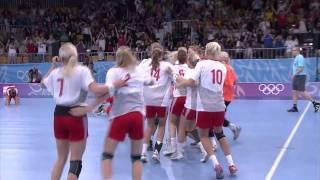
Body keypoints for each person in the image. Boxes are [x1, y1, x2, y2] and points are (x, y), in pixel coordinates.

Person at [41, 43, 125, 180]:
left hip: (59, 115)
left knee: (60, 159)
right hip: (76, 115)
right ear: (76, 55)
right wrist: (114, 85)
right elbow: (96, 90)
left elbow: (42, 85)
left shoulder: (56, 73)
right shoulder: (82, 71)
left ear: (60, 58)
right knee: (75, 162)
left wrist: (53, 66)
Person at [71, 46, 152, 180]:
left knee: (107, 155)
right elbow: (151, 81)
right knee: (136, 158)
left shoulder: (113, 72)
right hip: (138, 116)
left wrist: (89, 107)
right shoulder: (139, 70)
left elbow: (106, 93)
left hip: (120, 116)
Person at [177, 42, 237, 179]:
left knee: (203, 135)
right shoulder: (223, 67)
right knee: (220, 134)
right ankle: (231, 164)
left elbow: (192, 82)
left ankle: (216, 164)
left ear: (206, 52)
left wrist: (180, 80)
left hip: (204, 106)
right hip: (219, 105)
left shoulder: (202, 64)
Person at [140, 46, 174, 163]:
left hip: (148, 99)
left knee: (149, 126)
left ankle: (143, 153)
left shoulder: (144, 64)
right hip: (161, 101)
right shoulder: (167, 66)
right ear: (162, 54)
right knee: (161, 126)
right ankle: (156, 153)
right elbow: (176, 79)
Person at [287, 47, 320, 112]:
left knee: (302, 92)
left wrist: (294, 74)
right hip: (297, 76)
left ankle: (315, 103)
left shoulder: (300, 57)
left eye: (293, 50)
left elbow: (301, 68)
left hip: (300, 76)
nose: (292, 51)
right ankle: (295, 107)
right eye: (292, 50)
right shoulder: (296, 58)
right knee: (294, 91)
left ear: (297, 51)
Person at [219, 52, 242, 140]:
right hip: (227, 96)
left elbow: (229, 83)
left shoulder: (225, 68)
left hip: (223, 96)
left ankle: (234, 128)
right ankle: (233, 128)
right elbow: (235, 81)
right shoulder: (230, 68)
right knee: (219, 117)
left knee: (218, 117)